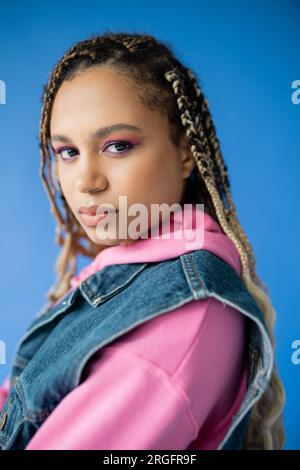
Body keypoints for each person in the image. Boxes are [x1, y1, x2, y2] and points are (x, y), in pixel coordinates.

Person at [0, 32, 285, 450]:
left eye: (117, 146)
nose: (86, 182)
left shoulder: (184, 311)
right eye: (67, 152)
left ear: (185, 152)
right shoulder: (130, 277)